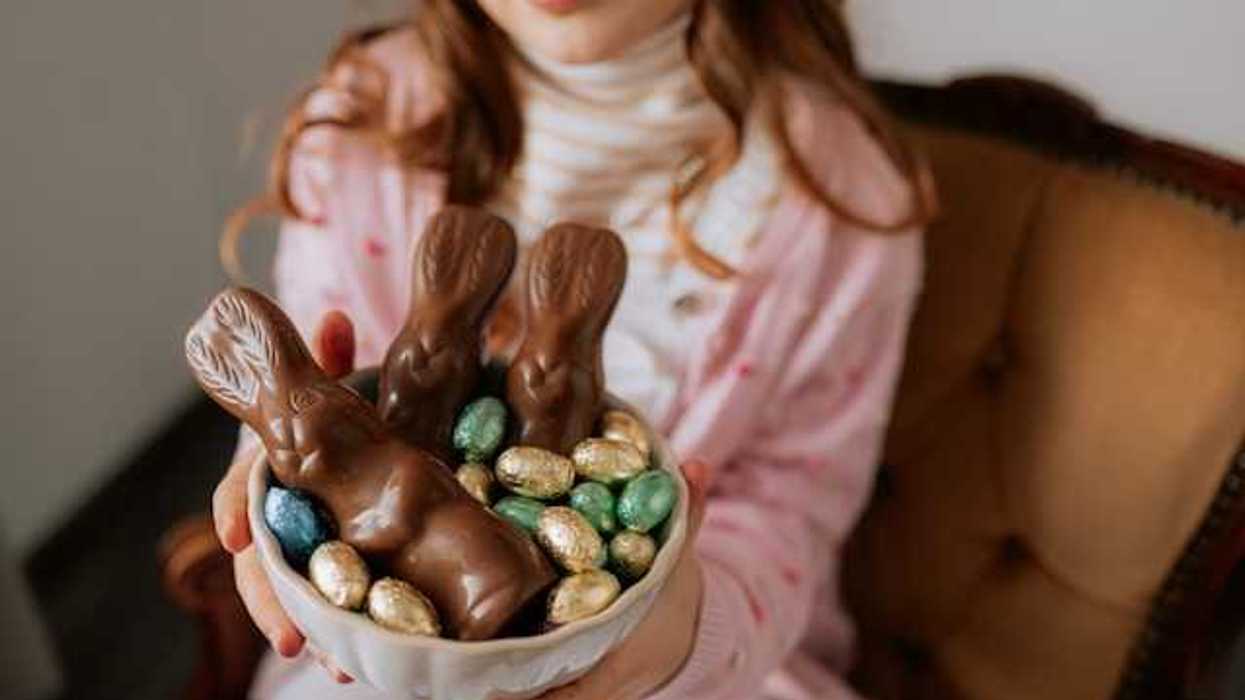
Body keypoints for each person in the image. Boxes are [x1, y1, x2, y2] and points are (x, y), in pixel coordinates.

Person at [211, 1, 936, 698]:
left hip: (695, 673)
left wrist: (678, 636)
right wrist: (271, 494)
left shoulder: (843, 202)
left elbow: (789, 509)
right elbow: (311, 421)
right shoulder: (362, 122)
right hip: (382, 669)